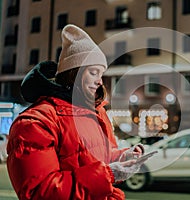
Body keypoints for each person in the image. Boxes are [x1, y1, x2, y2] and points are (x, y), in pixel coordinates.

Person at [6, 24, 145, 200]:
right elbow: (41, 192)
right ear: (74, 74)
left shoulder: (96, 113)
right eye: (93, 73)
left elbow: (95, 158)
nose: (99, 82)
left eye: (101, 74)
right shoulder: (36, 122)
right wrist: (108, 174)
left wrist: (122, 157)